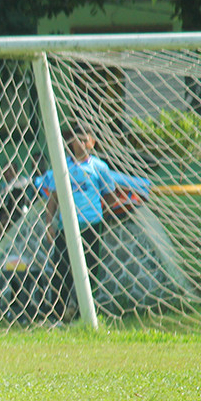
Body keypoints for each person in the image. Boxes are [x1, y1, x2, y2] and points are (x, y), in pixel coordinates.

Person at [37, 127, 117, 320]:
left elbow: (112, 197)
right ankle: (57, 316)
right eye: (77, 139)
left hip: (91, 226)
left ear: (92, 143)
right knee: (62, 269)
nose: (80, 144)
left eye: (84, 140)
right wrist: (49, 224)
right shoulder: (64, 167)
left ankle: (85, 316)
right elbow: (53, 199)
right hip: (67, 227)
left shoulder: (99, 167)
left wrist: (98, 213)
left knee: (90, 270)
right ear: (71, 143)